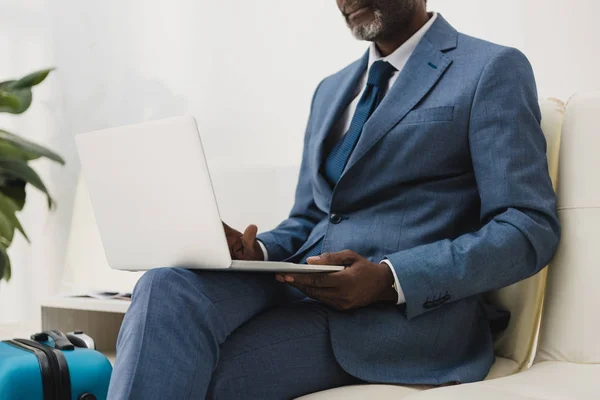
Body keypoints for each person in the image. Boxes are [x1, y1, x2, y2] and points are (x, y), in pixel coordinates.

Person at [107, 0, 561, 398]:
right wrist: (257, 250)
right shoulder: (332, 90)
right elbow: (310, 218)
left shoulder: (490, 68)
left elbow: (527, 227)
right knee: (165, 283)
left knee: (203, 372)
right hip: (301, 286)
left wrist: (389, 279)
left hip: (398, 318)